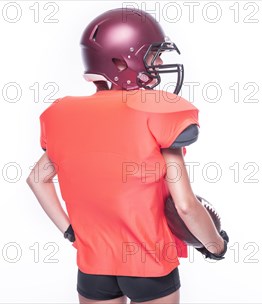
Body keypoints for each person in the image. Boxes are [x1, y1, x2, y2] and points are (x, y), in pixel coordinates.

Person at [26, 8, 229, 304]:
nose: (159, 64)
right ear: (122, 60)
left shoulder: (63, 115)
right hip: (149, 264)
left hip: (93, 265)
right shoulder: (158, 112)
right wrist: (216, 245)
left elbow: (37, 180)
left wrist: (71, 231)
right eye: (153, 55)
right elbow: (185, 206)